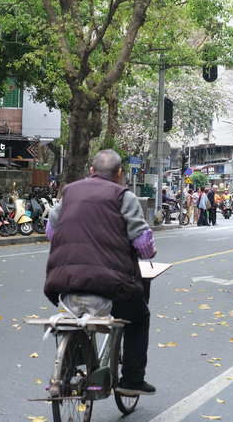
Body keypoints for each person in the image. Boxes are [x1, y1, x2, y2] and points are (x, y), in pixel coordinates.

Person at [44, 149, 157, 396]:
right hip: (110, 284)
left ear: (91, 171)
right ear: (119, 174)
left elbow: (50, 232)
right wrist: (149, 251)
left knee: (74, 317)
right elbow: (141, 243)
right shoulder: (123, 196)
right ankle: (131, 380)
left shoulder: (69, 192)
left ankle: (71, 367)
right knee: (138, 318)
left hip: (65, 283)